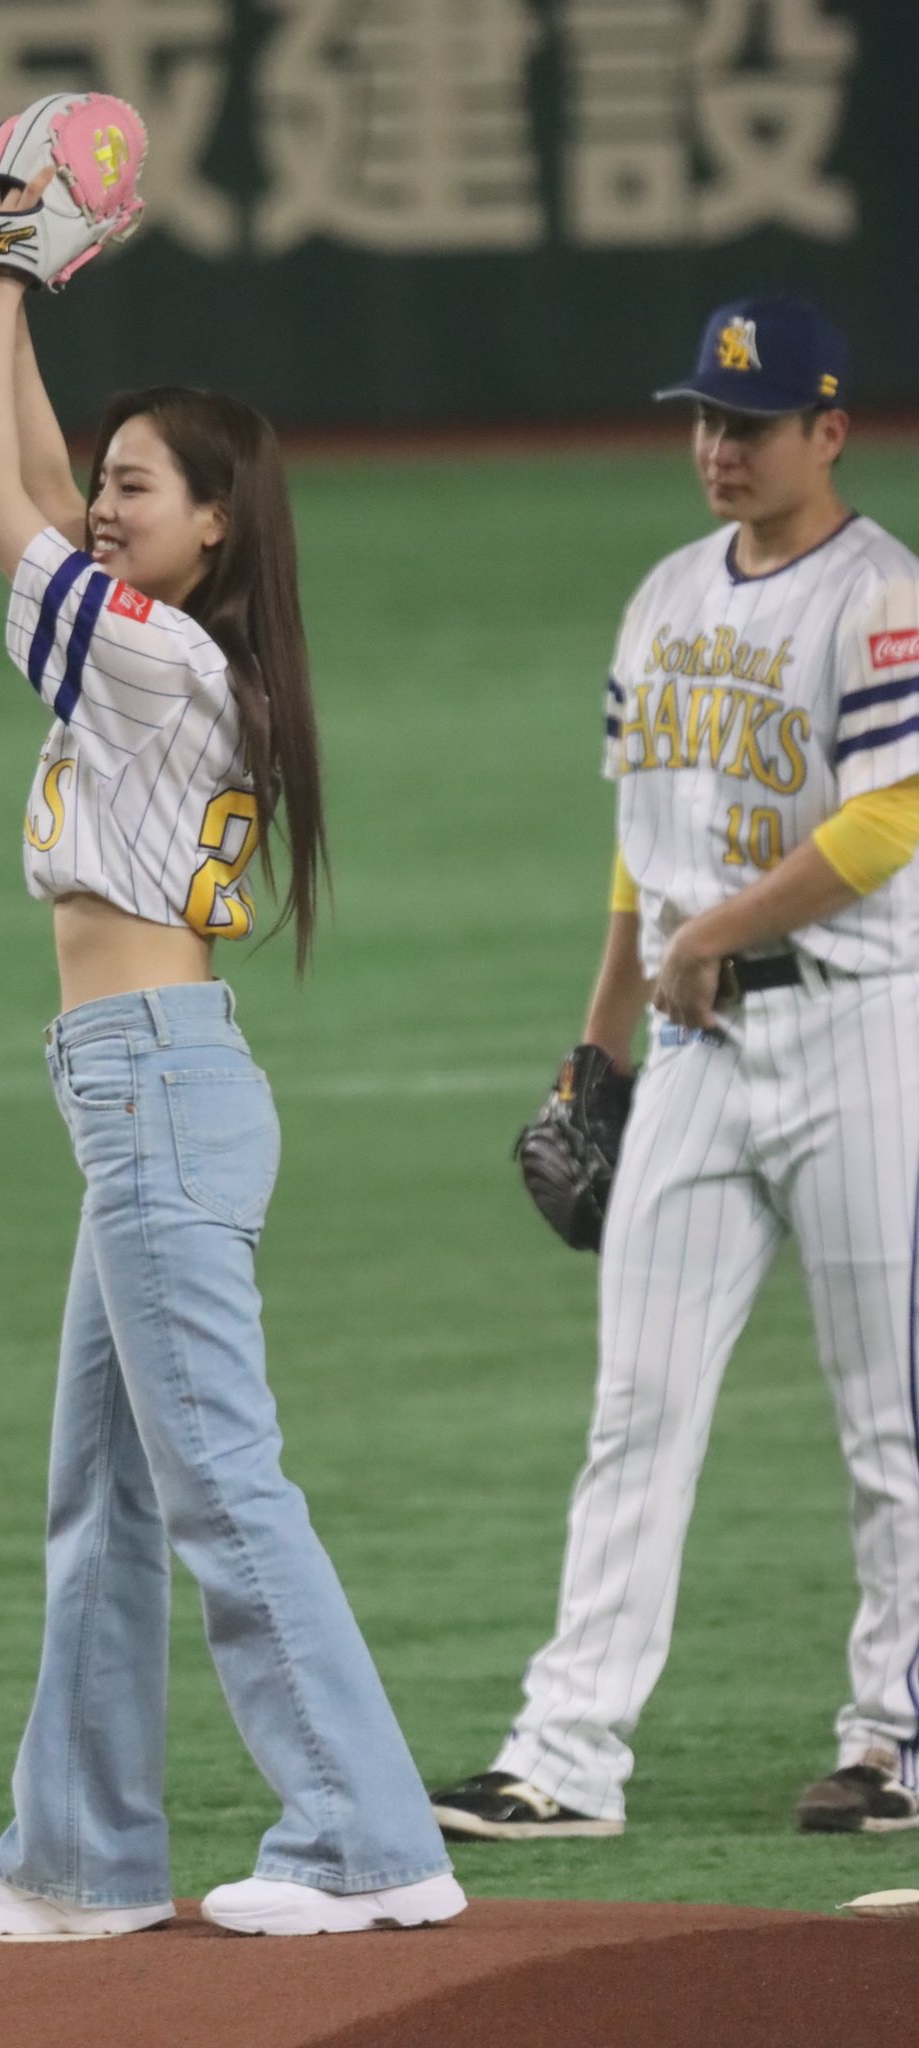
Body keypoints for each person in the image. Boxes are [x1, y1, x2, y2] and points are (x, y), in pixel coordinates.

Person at [0, 138, 466, 1938]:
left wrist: (1, 272)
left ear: (213, 519)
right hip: (147, 1086)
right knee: (104, 1492)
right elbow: (27, 479)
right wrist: (12, 288)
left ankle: (367, 1839)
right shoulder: (164, 643)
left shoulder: (152, 658)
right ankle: (77, 1858)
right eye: (106, 481)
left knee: (219, 1482)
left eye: (136, 486)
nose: (98, 504)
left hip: (156, 1085)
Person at [430, 294, 919, 1844]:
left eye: (751, 424)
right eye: (706, 417)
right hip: (700, 1047)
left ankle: (898, 1737)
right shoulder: (660, 599)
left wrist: (713, 930)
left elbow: (892, 819)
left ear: (827, 432)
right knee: (637, 1405)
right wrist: (600, 1035)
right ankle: (566, 1757)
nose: (719, 446)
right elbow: (641, 852)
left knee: (891, 1414)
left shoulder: (884, 597)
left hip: (863, 1029)